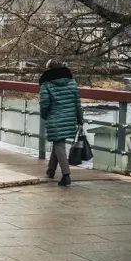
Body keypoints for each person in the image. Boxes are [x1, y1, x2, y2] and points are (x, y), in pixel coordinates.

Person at [39, 59, 84, 187]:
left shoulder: (46, 84)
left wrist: (44, 115)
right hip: (70, 117)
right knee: (58, 143)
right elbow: (77, 103)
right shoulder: (71, 82)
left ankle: (66, 175)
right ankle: (51, 170)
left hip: (54, 117)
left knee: (59, 144)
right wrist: (80, 119)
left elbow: (44, 103)